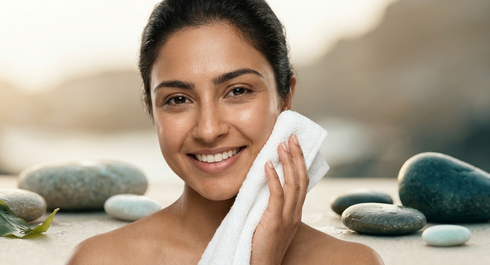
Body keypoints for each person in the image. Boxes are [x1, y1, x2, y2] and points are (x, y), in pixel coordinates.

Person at [66, 0, 384, 264]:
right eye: (178, 99)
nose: (208, 129)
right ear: (152, 110)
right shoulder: (103, 260)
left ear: (285, 97)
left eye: (237, 91)